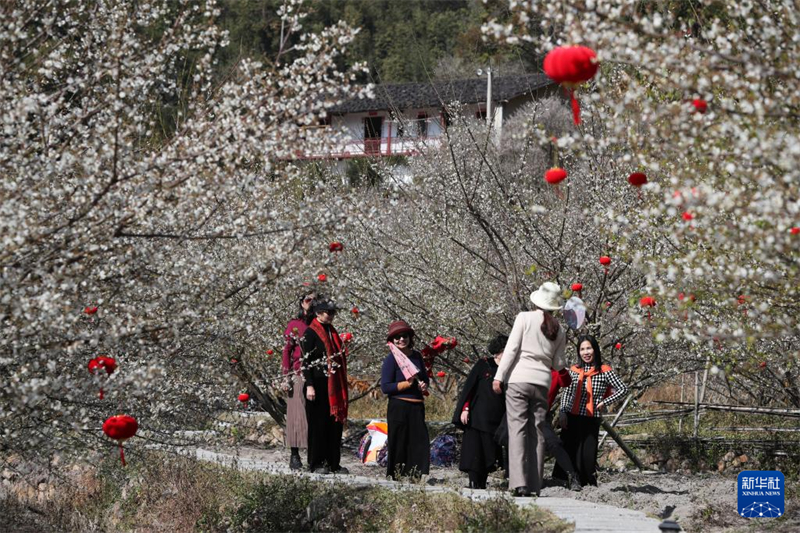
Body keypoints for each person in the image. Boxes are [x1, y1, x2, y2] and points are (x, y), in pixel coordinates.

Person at [492, 282, 568, 497]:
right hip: (542, 382)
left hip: (519, 379)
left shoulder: (524, 318)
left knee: (517, 429)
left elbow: (512, 349)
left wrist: (499, 376)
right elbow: (558, 364)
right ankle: (535, 484)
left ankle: (519, 483)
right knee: (538, 431)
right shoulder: (559, 329)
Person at [557, 334, 629, 487]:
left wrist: (605, 401)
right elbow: (567, 392)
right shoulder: (574, 370)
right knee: (569, 450)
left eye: (589, 348)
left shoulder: (604, 370)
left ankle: (586, 483)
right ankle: (567, 481)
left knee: (587, 455)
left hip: (590, 418)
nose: (586, 352)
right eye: (582, 349)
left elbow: (623, 389)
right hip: (571, 416)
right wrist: (562, 411)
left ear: (595, 349)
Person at [452, 334, 508, 489]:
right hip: (477, 416)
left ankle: (482, 482)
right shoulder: (483, 364)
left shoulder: (509, 370)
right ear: (498, 351)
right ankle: (473, 482)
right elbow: (470, 388)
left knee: (489, 452)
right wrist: (465, 408)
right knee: (474, 451)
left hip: (496, 418)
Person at [300, 298, 349, 474]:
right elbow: (304, 362)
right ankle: (316, 462)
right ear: (318, 313)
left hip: (332, 384)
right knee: (318, 425)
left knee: (333, 425)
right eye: (328, 312)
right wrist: (309, 385)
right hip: (318, 384)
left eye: (333, 313)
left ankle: (333, 462)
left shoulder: (332, 332)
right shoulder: (310, 333)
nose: (331, 316)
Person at [380, 320, 431, 480]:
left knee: (418, 441)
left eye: (405, 336)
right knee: (399, 441)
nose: (401, 340)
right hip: (399, 405)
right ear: (392, 340)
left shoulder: (417, 357)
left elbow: (424, 378)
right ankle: (396, 474)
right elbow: (386, 387)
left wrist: (423, 385)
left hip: (416, 406)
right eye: (397, 337)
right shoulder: (391, 360)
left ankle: (415, 473)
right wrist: (406, 384)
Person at [281, 290, 315, 470]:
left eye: (315, 300)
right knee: (295, 415)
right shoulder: (294, 325)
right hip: (298, 373)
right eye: (308, 299)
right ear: (302, 302)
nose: (311, 303)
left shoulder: (319, 323)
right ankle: (294, 455)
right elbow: (287, 350)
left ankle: (314, 456)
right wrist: (286, 377)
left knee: (314, 416)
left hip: (316, 375)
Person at [544, 368, 582, 491]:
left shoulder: (555, 372)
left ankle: (572, 475)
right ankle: (510, 474)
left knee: (554, 443)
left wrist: (560, 367)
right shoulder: (527, 365)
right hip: (522, 412)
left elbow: (566, 382)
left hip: (542, 415)